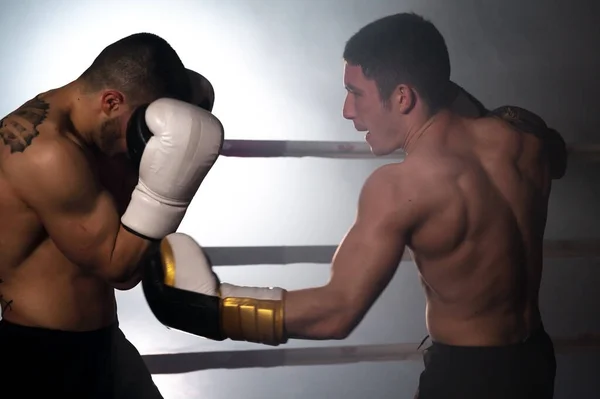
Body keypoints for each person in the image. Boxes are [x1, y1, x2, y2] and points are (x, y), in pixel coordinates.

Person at [139, 13, 566, 399]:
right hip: (534, 362)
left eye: (355, 93)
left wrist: (218, 309)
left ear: (402, 97)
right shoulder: (524, 142)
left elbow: (337, 312)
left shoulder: (400, 186)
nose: (347, 111)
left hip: (467, 378)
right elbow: (527, 131)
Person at [0, 32, 223, 398]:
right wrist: (170, 182)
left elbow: (196, 92)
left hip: (107, 344)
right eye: (136, 129)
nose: (137, 143)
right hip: (42, 362)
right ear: (111, 101)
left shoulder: (101, 127)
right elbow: (120, 268)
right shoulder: (43, 153)